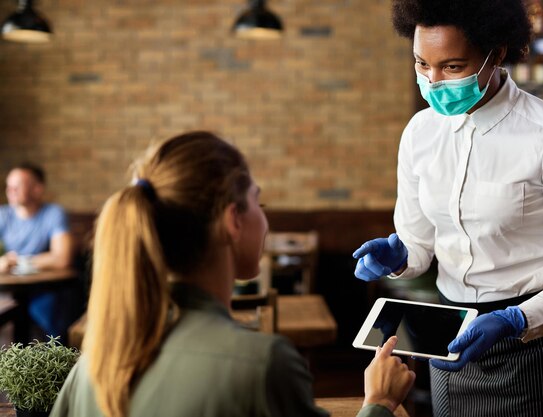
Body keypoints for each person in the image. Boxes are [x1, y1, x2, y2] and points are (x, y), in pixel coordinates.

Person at [352, 1, 543, 416]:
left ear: (498, 52)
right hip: (453, 340)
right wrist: (399, 256)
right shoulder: (420, 133)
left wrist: (516, 320)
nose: (433, 82)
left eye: (452, 67)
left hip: (539, 345)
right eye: (422, 63)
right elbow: (420, 248)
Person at [50, 131, 416, 417]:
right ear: (233, 220)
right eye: (259, 202)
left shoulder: (93, 364)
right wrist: (380, 403)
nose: (265, 217)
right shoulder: (263, 363)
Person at [0, 162, 77, 340]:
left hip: (45, 289)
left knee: (52, 320)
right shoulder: (3, 215)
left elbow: (62, 258)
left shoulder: (53, 213)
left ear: (37, 189)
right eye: (8, 186)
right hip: (9, 290)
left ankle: (61, 364)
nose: (10, 190)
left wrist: (16, 261)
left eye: (17, 186)